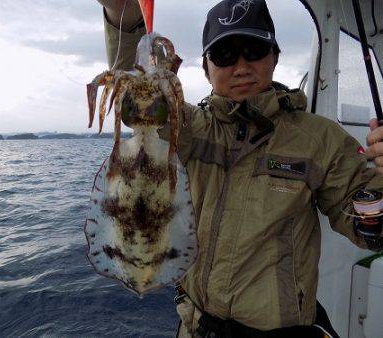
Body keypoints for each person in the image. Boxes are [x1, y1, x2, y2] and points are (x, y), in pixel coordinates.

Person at [94, 0, 383, 337]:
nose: (241, 66)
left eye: (255, 50)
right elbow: (141, 94)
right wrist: (124, 17)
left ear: (274, 57)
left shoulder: (320, 139)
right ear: (206, 68)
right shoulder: (187, 129)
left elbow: (370, 229)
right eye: (225, 55)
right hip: (196, 327)